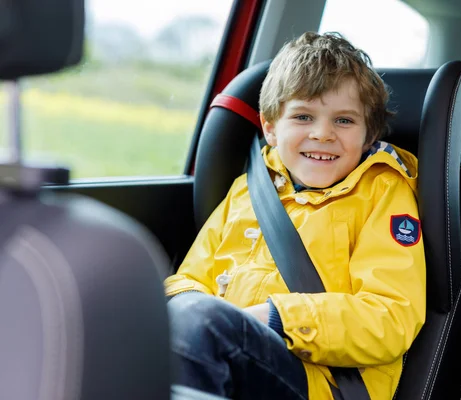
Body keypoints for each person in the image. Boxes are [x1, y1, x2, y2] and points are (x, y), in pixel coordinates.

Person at [164, 31, 426, 400]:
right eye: (303, 116)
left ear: (369, 136)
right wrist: (192, 313)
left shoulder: (384, 193)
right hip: (221, 346)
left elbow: (390, 317)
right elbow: (187, 280)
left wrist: (275, 318)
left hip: (322, 381)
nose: (322, 134)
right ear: (270, 128)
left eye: (344, 121)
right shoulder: (249, 188)